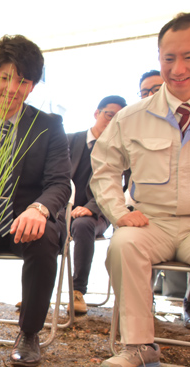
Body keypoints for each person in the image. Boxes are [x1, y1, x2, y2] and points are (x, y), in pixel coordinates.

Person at [91, 12, 190, 367]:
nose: (178, 68)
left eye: (189, 56)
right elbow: (104, 167)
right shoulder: (132, 117)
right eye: (169, 58)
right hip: (151, 221)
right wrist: (118, 212)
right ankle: (139, 346)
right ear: (159, 58)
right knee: (122, 245)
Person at [0, 35, 71, 367]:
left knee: (43, 236)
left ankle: (30, 332)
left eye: (22, 80)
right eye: (5, 77)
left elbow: (59, 183)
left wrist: (39, 209)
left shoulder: (49, 126)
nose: (11, 88)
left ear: (32, 85)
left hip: (27, 222)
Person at [140, 70, 190, 330]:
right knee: (130, 240)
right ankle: (143, 305)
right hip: (150, 216)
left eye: (156, 88)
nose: (152, 95)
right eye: (145, 92)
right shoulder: (136, 123)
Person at [64, 96, 126, 315]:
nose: (112, 121)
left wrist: (92, 207)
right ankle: (36, 294)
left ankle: (77, 291)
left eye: (118, 118)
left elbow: (121, 186)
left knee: (83, 225)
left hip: (99, 212)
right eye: (109, 114)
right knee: (41, 224)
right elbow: (53, 177)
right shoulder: (69, 140)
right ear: (97, 113)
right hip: (64, 208)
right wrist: (65, 207)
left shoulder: (121, 150)